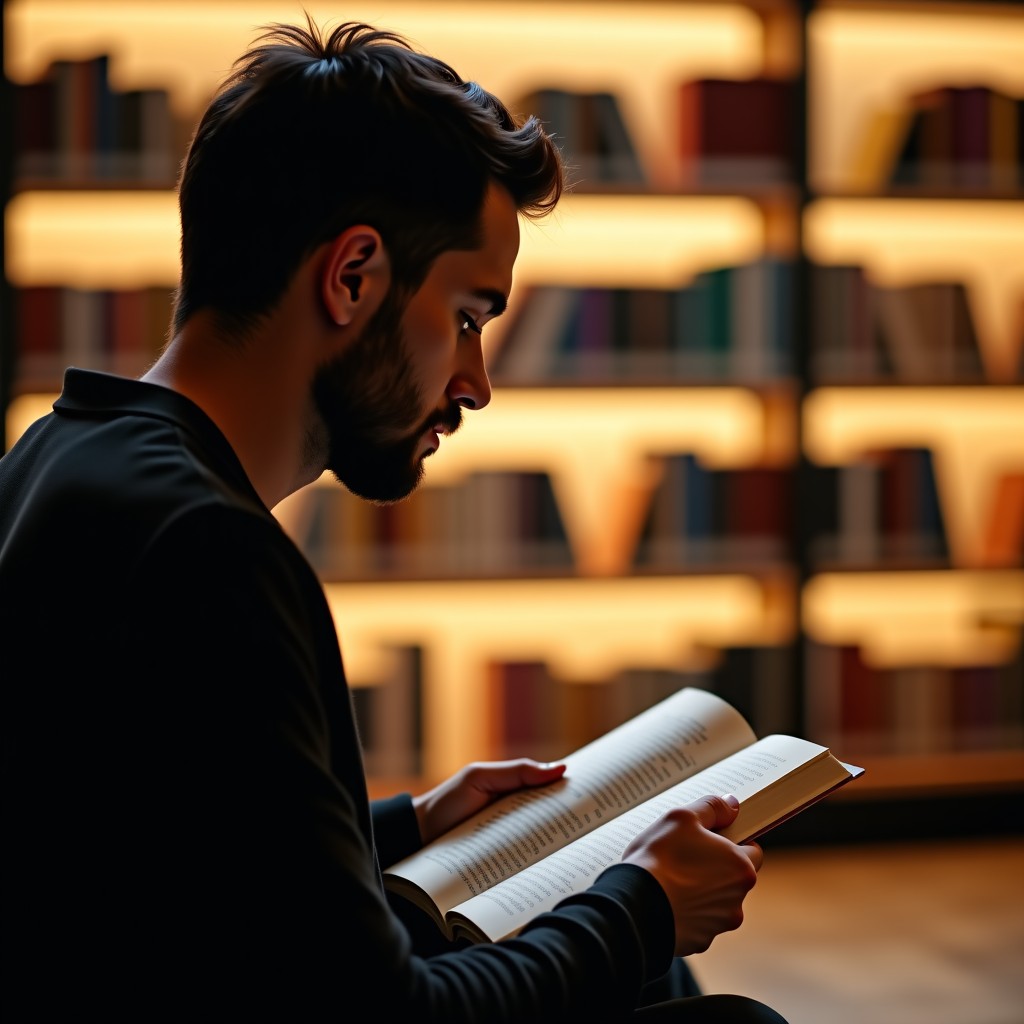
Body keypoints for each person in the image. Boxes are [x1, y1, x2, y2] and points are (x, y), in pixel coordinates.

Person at [0, 15, 788, 1023]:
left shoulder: (63, 453)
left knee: (652, 977)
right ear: (353, 276)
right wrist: (641, 904)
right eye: (467, 316)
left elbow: (164, 847)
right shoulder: (210, 550)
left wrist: (410, 822)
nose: (476, 382)